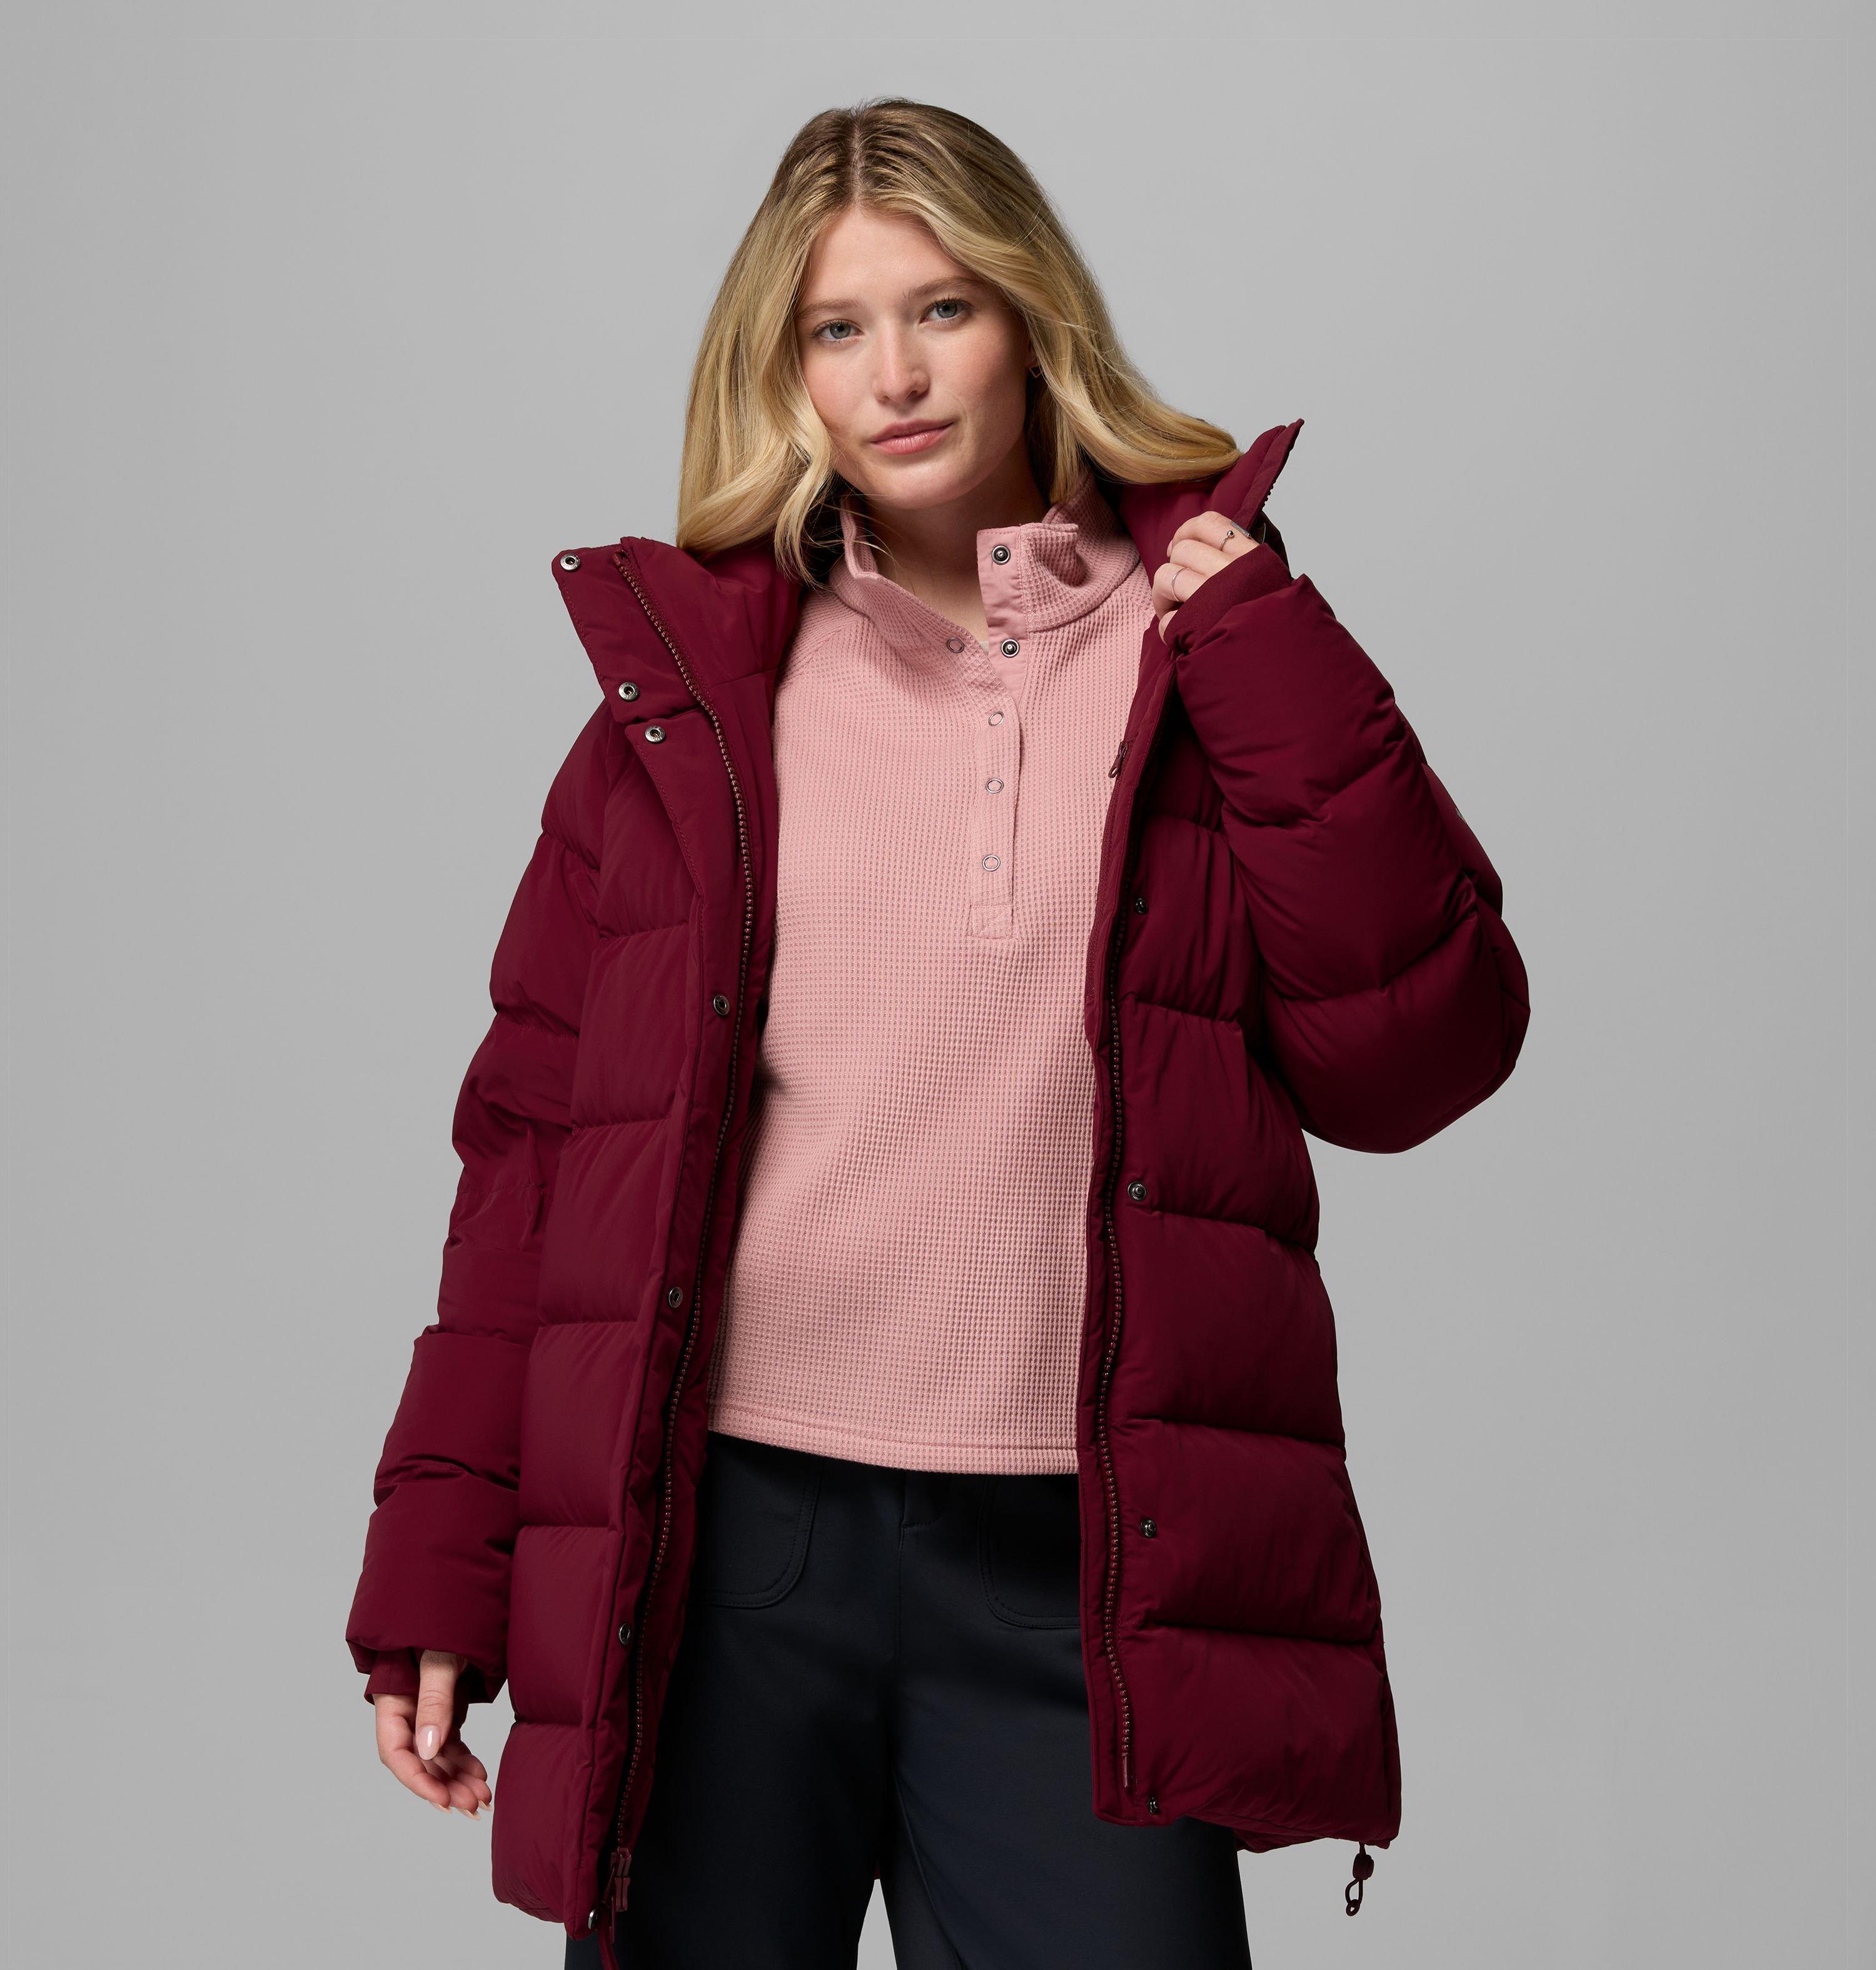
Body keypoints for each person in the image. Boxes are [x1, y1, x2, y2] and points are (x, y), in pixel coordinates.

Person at [346, 96, 1530, 1970]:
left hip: (1084, 1570)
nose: (893, 375)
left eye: (942, 309)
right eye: (837, 328)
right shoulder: (689, 709)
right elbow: (541, 1161)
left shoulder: (1206, 648)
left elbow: (1416, 1063)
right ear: (785, 369)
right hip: (728, 1561)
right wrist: (445, 1565)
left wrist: (1275, 652)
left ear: (1034, 321)